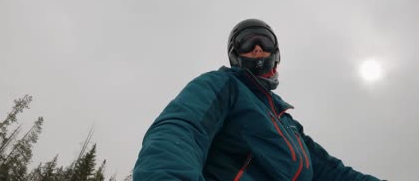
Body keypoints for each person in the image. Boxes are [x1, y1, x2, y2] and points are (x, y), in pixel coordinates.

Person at [133, 19, 383, 180]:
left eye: (264, 41)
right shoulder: (223, 85)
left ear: (275, 53)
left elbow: (331, 172)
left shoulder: (288, 124)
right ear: (235, 54)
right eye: (246, 42)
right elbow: (182, 130)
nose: (256, 48)